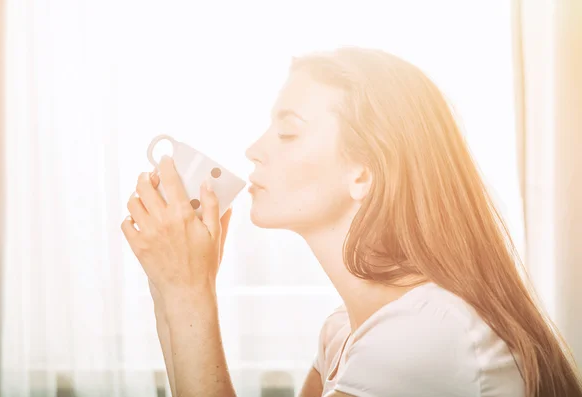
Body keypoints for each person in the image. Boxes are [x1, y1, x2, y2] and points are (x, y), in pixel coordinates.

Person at [121, 47, 582, 397]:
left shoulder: (424, 337)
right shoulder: (345, 331)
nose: (255, 149)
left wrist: (188, 292)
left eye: (288, 131)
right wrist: (170, 283)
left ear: (364, 173)